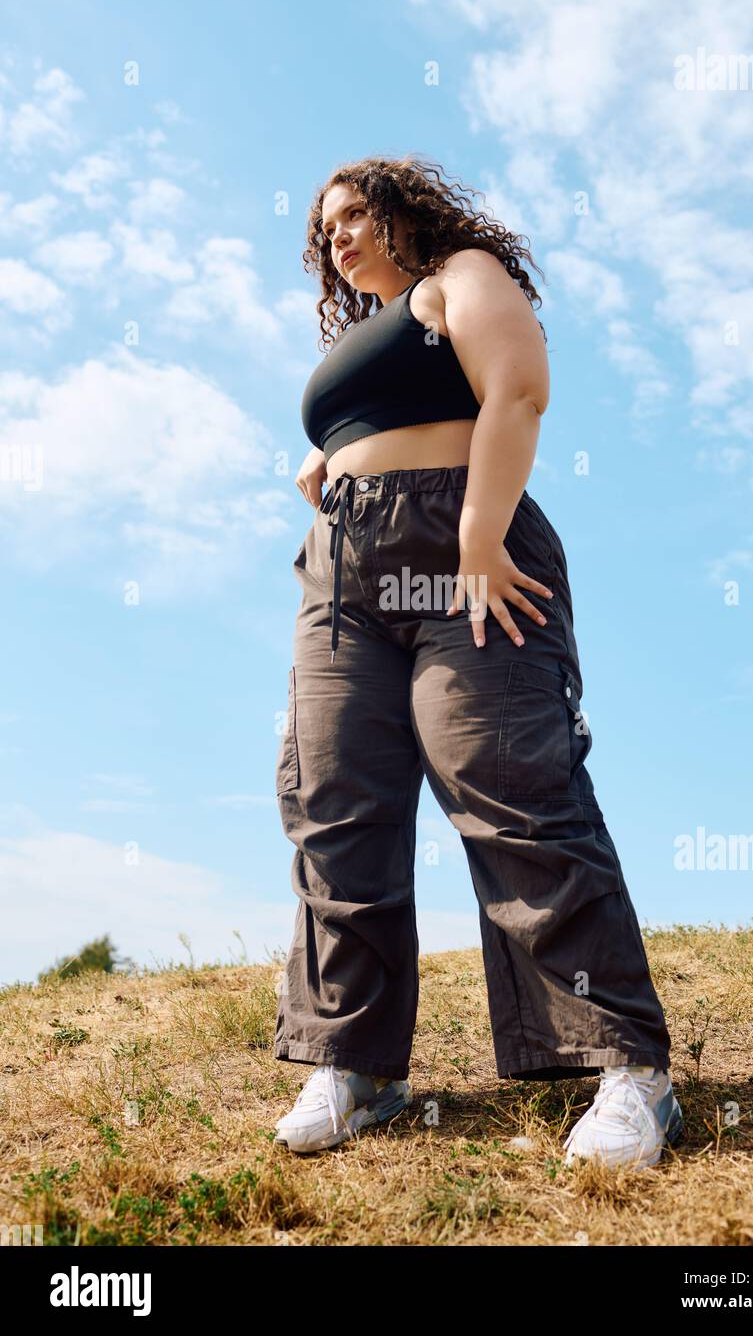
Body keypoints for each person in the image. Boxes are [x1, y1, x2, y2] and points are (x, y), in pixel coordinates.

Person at [272, 154, 682, 1171]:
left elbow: (516, 388)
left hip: (465, 551)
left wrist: (476, 535)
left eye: (356, 214)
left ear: (405, 213)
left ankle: (628, 1068)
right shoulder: (361, 338)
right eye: (326, 230)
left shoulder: (455, 275)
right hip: (344, 582)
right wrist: (330, 461)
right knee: (335, 804)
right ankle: (359, 1068)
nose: (341, 236)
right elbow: (379, 422)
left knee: (508, 786)